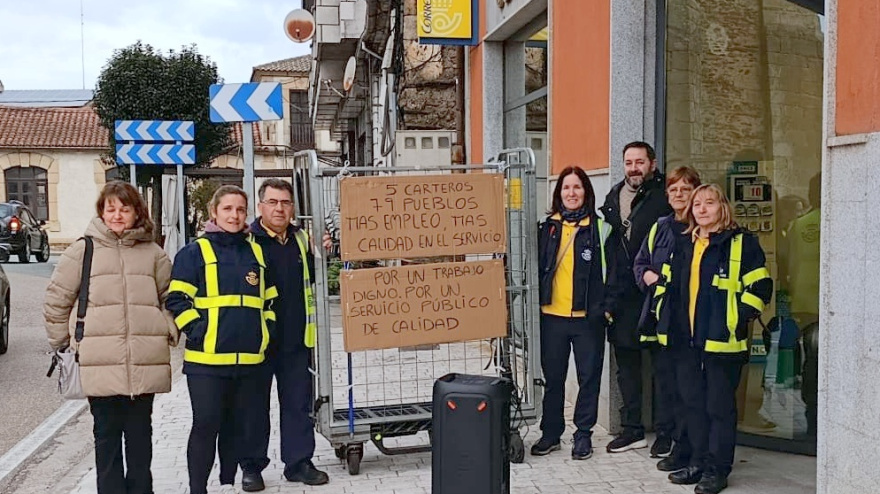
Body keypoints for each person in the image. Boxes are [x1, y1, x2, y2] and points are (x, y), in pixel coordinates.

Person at [44, 181, 178, 494]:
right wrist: (62, 344)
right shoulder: (83, 250)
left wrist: (167, 327)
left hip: (144, 361)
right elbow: (56, 300)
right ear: (101, 212)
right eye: (111, 209)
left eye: (124, 209)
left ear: (137, 213)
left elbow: (171, 297)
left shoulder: (153, 253)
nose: (117, 215)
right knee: (106, 439)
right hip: (99, 361)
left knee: (141, 439)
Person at [653, 184, 772, 494]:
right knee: (693, 405)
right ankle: (697, 462)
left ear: (723, 208)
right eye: (697, 204)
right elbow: (666, 284)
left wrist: (735, 318)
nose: (702, 209)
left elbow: (760, 287)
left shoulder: (742, 243)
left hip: (723, 341)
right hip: (685, 340)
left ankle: (717, 470)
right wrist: (663, 315)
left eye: (709, 203)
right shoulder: (684, 243)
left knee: (719, 408)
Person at [166, 185, 278, 494]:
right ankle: (197, 488)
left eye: (240, 209)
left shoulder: (257, 251)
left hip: (250, 361)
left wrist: (265, 331)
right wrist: (198, 330)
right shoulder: (193, 253)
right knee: (206, 425)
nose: (234, 215)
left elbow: (269, 300)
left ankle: (240, 475)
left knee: (244, 424)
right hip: (206, 363)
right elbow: (176, 299)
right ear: (214, 212)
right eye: (227, 209)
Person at [530, 166, 624, 460]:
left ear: (587, 191)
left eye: (577, 187)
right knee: (553, 380)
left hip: (588, 320)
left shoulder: (602, 229)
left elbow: (616, 274)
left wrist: (606, 310)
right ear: (558, 193)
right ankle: (551, 434)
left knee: (589, 379)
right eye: (566, 188)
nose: (571, 193)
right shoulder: (546, 228)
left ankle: (583, 434)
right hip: (551, 318)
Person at [249, 178, 329, 487]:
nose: (279, 208)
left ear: (293, 207)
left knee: (298, 404)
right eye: (272, 202)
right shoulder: (248, 240)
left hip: (296, 338)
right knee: (254, 407)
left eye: (285, 202)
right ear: (260, 206)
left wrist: (323, 251)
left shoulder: (301, 239)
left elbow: (316, 275)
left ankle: (299, 463)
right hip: (257, 340)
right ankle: (252, 467)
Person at [599, 141, 676, 455]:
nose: (634, 168)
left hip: (655, 294)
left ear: (652, 164)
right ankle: (632, 430)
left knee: (663, 368)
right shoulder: (613, 197)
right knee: (627, 369)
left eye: (640, 162)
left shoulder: (665, 196)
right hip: (622, 297)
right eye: (629, 162)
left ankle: (666, 432)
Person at [632, 166, 701, 473]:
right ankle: (668, 438)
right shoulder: (660, 227)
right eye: (673, 190)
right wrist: (649, 277)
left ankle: (687, 445)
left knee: (690, 391)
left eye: (685, 189)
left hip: (693, 324)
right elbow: (640, 263)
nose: (678, 195)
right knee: (666, 385)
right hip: (663, 321)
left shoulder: (702, 229)